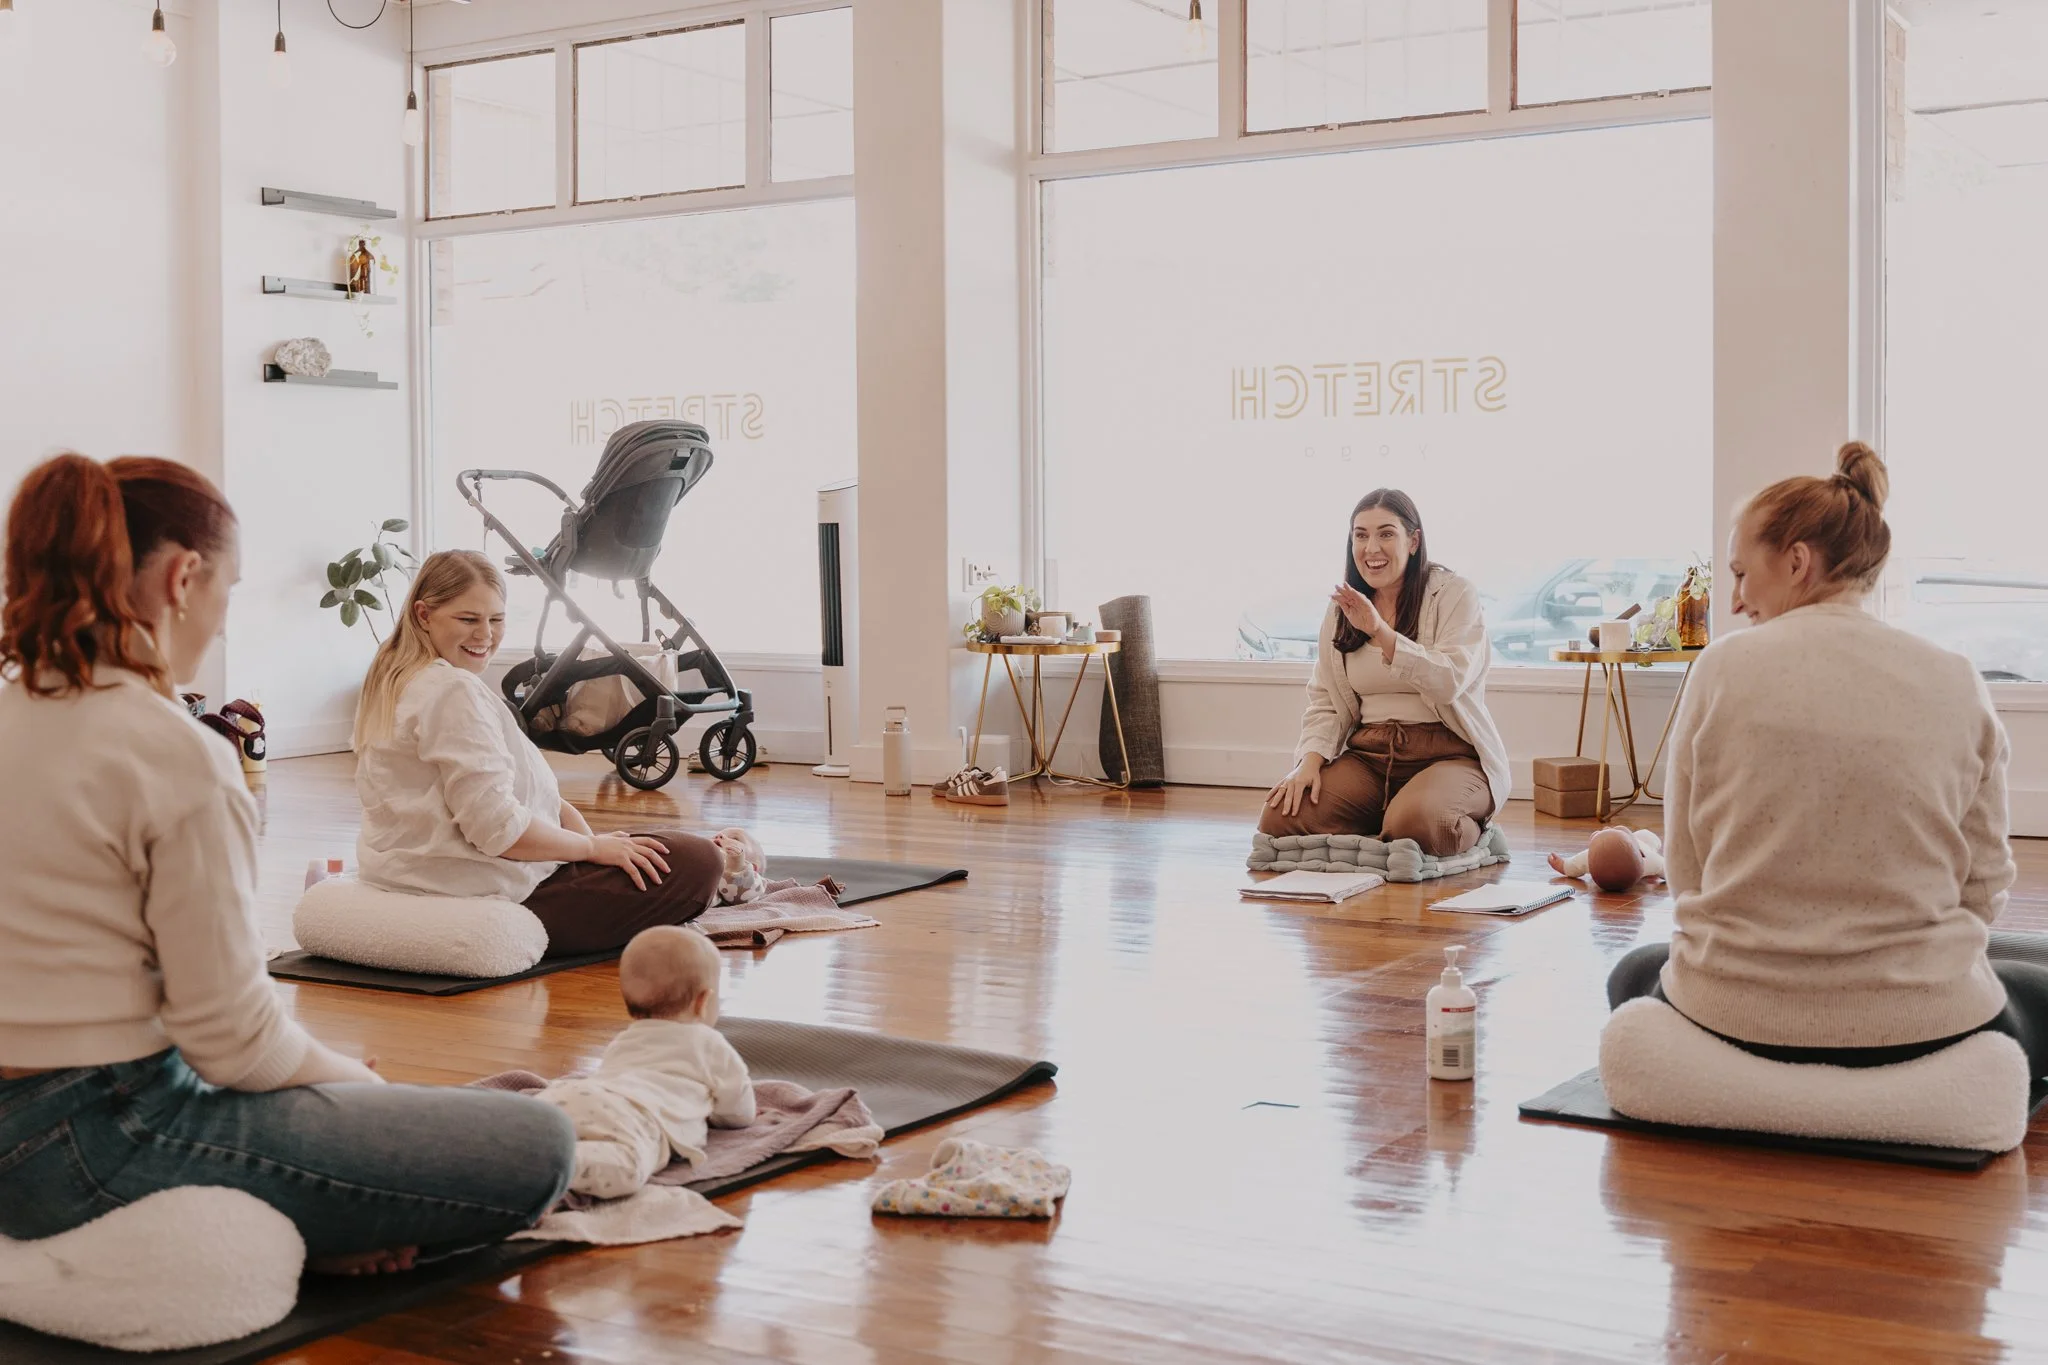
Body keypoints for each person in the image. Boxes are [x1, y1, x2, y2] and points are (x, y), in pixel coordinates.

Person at [0, 454, 574, 1273]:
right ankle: (296, 1229)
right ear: (185, 579)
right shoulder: (177, 755)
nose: (224, 620)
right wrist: (349, 1084)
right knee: (539, 1141)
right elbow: (232, 1043)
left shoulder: (15, 710)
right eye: (229, 592)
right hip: (97, 1143)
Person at [1607, 442, 2048, 1098]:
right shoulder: (1954, 677)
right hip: (1922, 1023)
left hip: (1733, 1018)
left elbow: (1688, 872)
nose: (1734, 601)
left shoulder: (1720, 669)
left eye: (1740, 573)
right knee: (2028, 966)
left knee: (1634, 971)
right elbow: (1982, 886)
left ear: (1796, 560)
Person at [353, 549, 725, 957]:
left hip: (412, 872)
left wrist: (593, 847)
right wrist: (591, 850)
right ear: (424, 615)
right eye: (468, 620)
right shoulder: (452, 692)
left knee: (645, 850)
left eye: (496, 620)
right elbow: (498, 830)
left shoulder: (395, 680)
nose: (485, 635)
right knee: (701, 860)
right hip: (490, 889)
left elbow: (520, 797)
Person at [1260, 489, 1512, 856]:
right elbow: (1327, 699)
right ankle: (1387, 817)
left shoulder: (1454, 594)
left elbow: (1449, 682)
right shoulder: (1342, 609)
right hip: (1371, 757)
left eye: (1386, 533)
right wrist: (1309, 762)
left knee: (1419, 826)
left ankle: (1460, 827)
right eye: (1360, 535)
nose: (1371, 548)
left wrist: (1380, 631)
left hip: (1449, 753)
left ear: (1413, 540)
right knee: (1280, 817)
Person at [534, 925, 754, 1199]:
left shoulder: (624, 1039)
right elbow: (740, 1112)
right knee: (626, 1167)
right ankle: (548, 1165)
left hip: (574, 1095)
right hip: (637, 1117)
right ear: (703, 1001)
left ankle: (512, 1140)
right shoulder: (709, 1043)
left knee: (545, 1128)